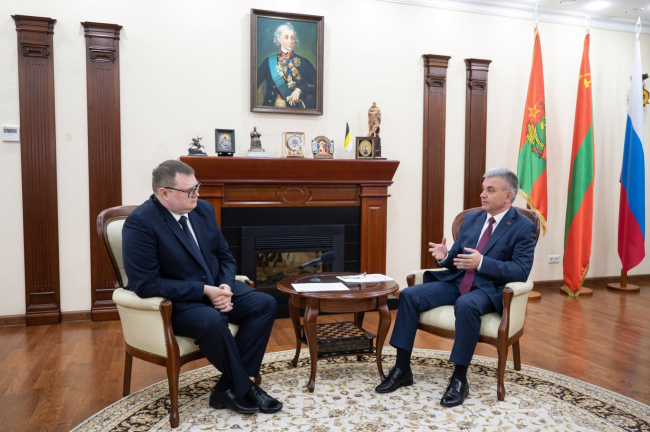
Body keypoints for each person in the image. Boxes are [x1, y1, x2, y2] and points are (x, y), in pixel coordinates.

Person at [122, 160, 282, 415]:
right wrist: (205, 291)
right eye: (190, 191)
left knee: (264, 304)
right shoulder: (140, 223)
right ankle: (246, 388)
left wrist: (225, 287)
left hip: (216, 288)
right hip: (177, 302)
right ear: (164, 193)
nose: (197, 194)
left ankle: (226, 388)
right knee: (213, 322)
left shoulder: (203, 210)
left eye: (197, 187)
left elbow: (224, 256)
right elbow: (146, 284)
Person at [376, 167, 537, 407]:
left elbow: (520, 271)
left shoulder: (523, 226)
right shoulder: (472, 219)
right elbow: (456, 258)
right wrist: (444, 257)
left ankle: (459, 379)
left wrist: (482, 263)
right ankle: (402, 369)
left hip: (489, 289)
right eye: (483, 188)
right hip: (458, 281)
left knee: (466, 304)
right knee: (408, 295)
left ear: (508, 196)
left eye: (490, 190)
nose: (482, 194)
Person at [256, 22, 317, 109]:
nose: (290, 41)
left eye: (292, 38)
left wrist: (300, 90)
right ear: (279, 39)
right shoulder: (268, 61)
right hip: (270, 108)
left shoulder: (304, 62)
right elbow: (254, 84)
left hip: (294, 110)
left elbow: (318, 85)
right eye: (286, 37)